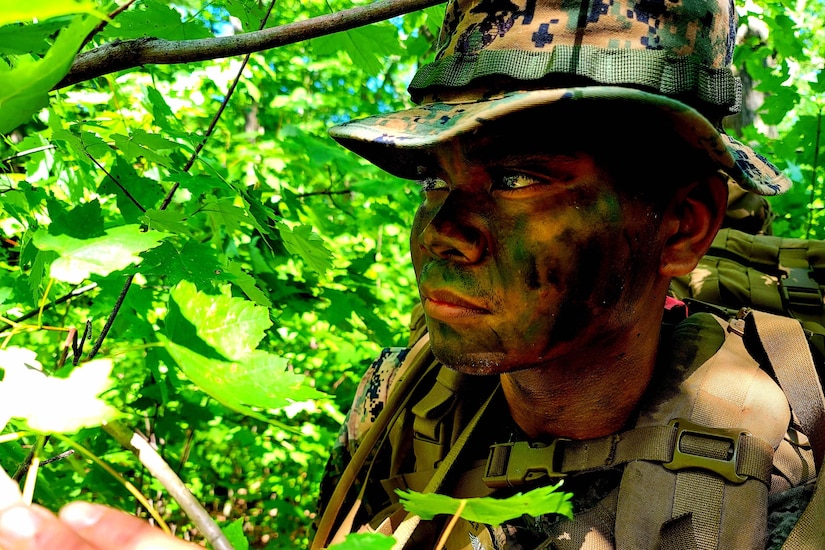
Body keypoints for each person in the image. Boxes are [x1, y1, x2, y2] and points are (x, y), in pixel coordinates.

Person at [1, 0, 820, 548]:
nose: (444, 232)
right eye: (434, 178)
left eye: (516, 179)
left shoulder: (796, 432)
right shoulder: (403, 398)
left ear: (681, 226)